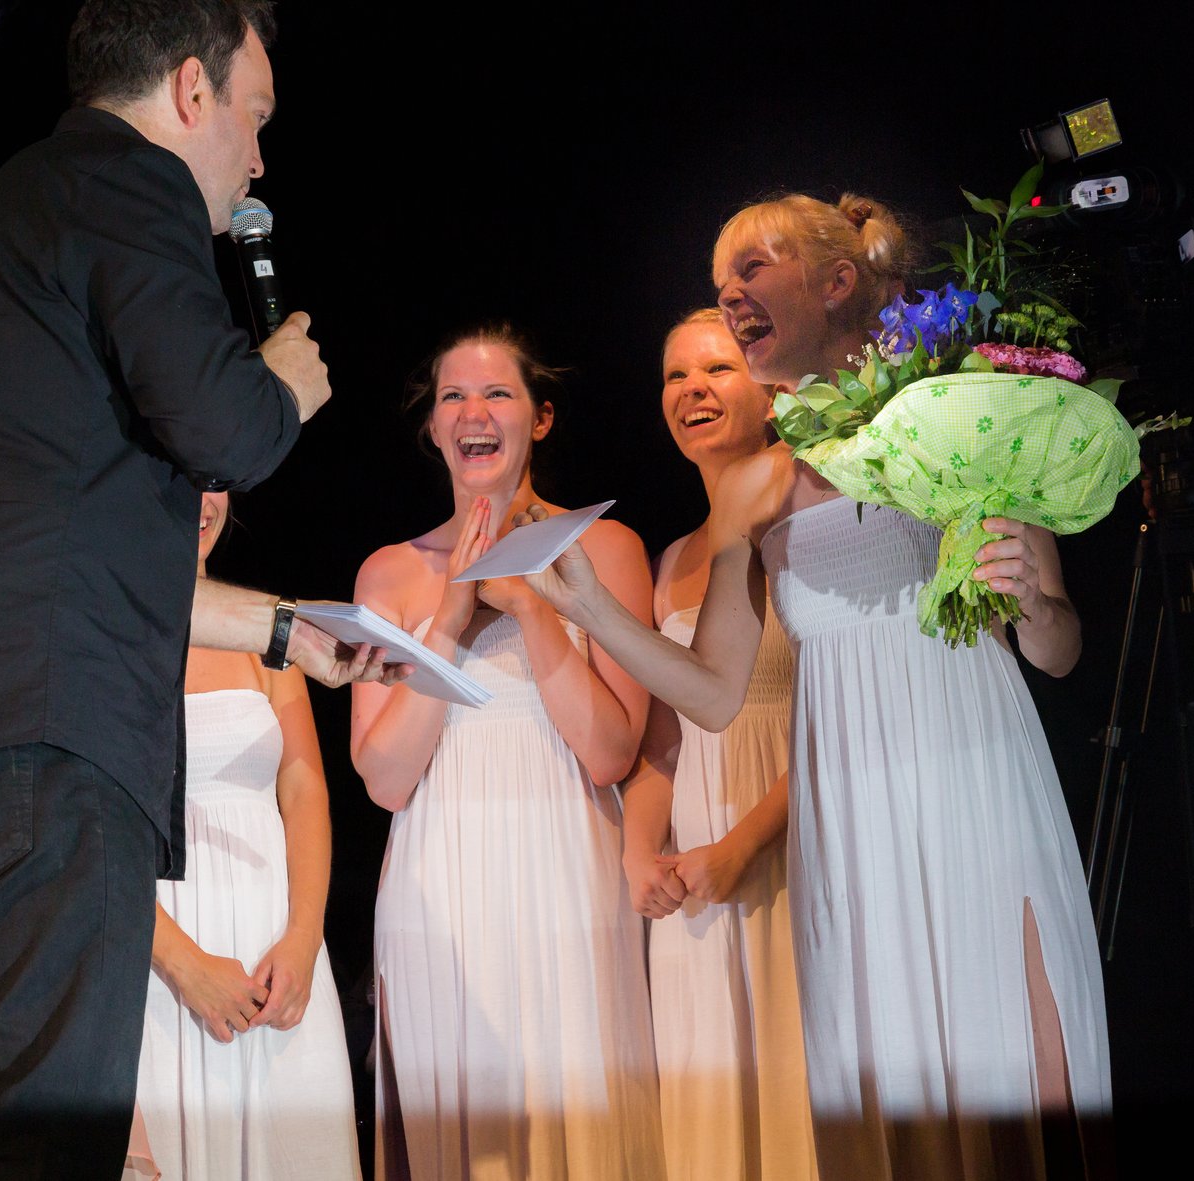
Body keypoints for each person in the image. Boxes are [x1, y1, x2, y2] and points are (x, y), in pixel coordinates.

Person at [0, 4, 401, 1177]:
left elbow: (59, 543)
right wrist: (280, 383)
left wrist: (285, 631)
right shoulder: (132, 185)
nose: (258, 158)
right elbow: (224, 429)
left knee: (8, 1136)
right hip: (39, 740)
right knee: (53, 1144)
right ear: (189, 89)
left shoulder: (4, 221)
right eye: (254, 115)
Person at [520, 194, 1111, 1179]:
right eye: (720, 282)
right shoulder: (755, 487)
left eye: (753, 269)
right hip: (851, 813)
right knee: (893, 1099)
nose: (731, 295)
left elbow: (1056, 648)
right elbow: (712, 692)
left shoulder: (957, 413)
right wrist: (593, 610)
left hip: (973, 778)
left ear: (837, 282)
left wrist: (1029, 599)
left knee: (1017, 1067)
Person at [352, 325, 664, 1179]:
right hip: (437, 891)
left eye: (497, 394)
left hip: (567, 875)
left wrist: (531, 607)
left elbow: (610, 751)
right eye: (453, 396)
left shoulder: (606, 547)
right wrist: (450, 619)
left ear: (540, 418)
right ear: (433, 427)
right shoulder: (388, 572)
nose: (474, 412)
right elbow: (385, 779)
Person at [623, 308, 816, 1179]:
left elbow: (835, 719)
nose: (692, 389)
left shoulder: (804, 524)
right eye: (676, 376)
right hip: (696, 870)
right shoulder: (672, 560)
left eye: (717, 369)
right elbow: (662, 739)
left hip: (789, 841)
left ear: (770, 393)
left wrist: (743, 845)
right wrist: (639, 852)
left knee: (796, 1088)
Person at [124, 491, 360, 1181]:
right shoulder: (104, 629)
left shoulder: (265, 628)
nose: (204, 499)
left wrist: (303, 941)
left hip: (274, 956)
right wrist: (186, 965)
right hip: (157, 961)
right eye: (183, 474)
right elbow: (83, 826)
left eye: (216, 477)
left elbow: (304, 789)